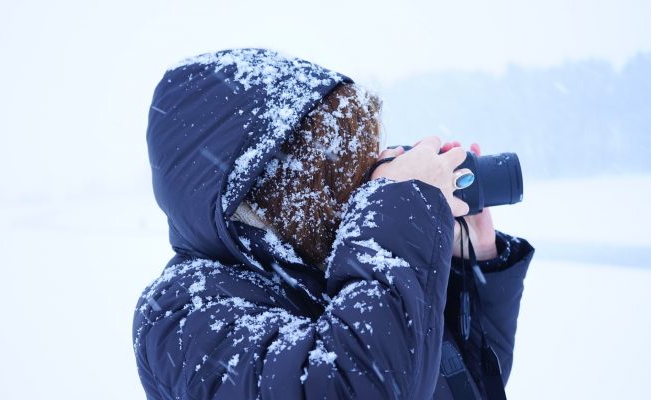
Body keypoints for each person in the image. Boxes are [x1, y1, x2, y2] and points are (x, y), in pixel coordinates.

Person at [133, 48, 534, 399]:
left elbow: (452, 384)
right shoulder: (181, 314)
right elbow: (359, 386)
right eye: (342, 166)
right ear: (276, 183)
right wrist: (399, 212)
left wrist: (467, 267)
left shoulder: (331, 259)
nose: (363, 177)